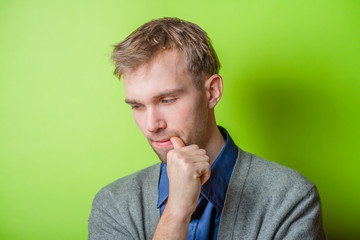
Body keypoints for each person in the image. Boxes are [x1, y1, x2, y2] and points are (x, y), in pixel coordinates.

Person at [88, 17, 326, 240]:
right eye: (137, 106)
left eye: (167, 100)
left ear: (212, 92)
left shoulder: (291, 199)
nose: (151, 125)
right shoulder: (114, 204)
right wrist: (177, 211)